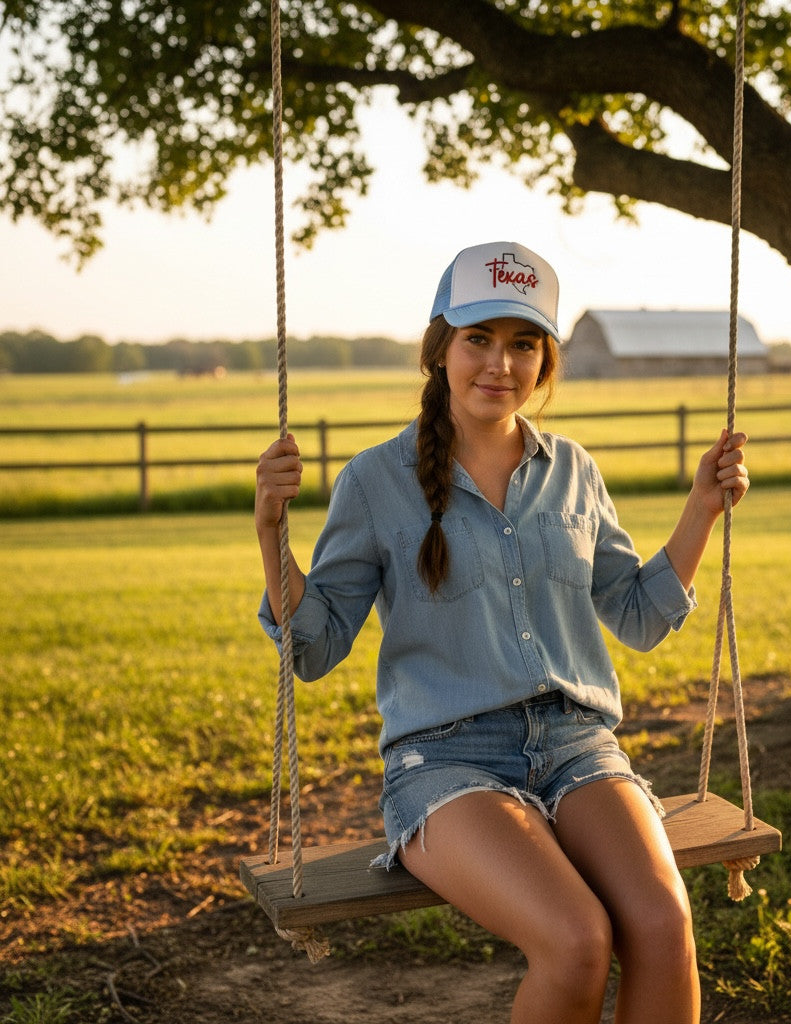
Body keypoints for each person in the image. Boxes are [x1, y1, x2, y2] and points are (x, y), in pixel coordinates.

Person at [255, 240, 749, 1024]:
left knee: (663, 927)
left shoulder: (574, 471)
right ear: (439, 349)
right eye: (478, 339)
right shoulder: (375, 481)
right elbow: (311, 648)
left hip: (577, 746)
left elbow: (639, 615)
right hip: (445, 762)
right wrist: (271, 532)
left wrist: (702, 508)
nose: (500, 364)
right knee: (577, 941)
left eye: (523, 344)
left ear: (546, 359)